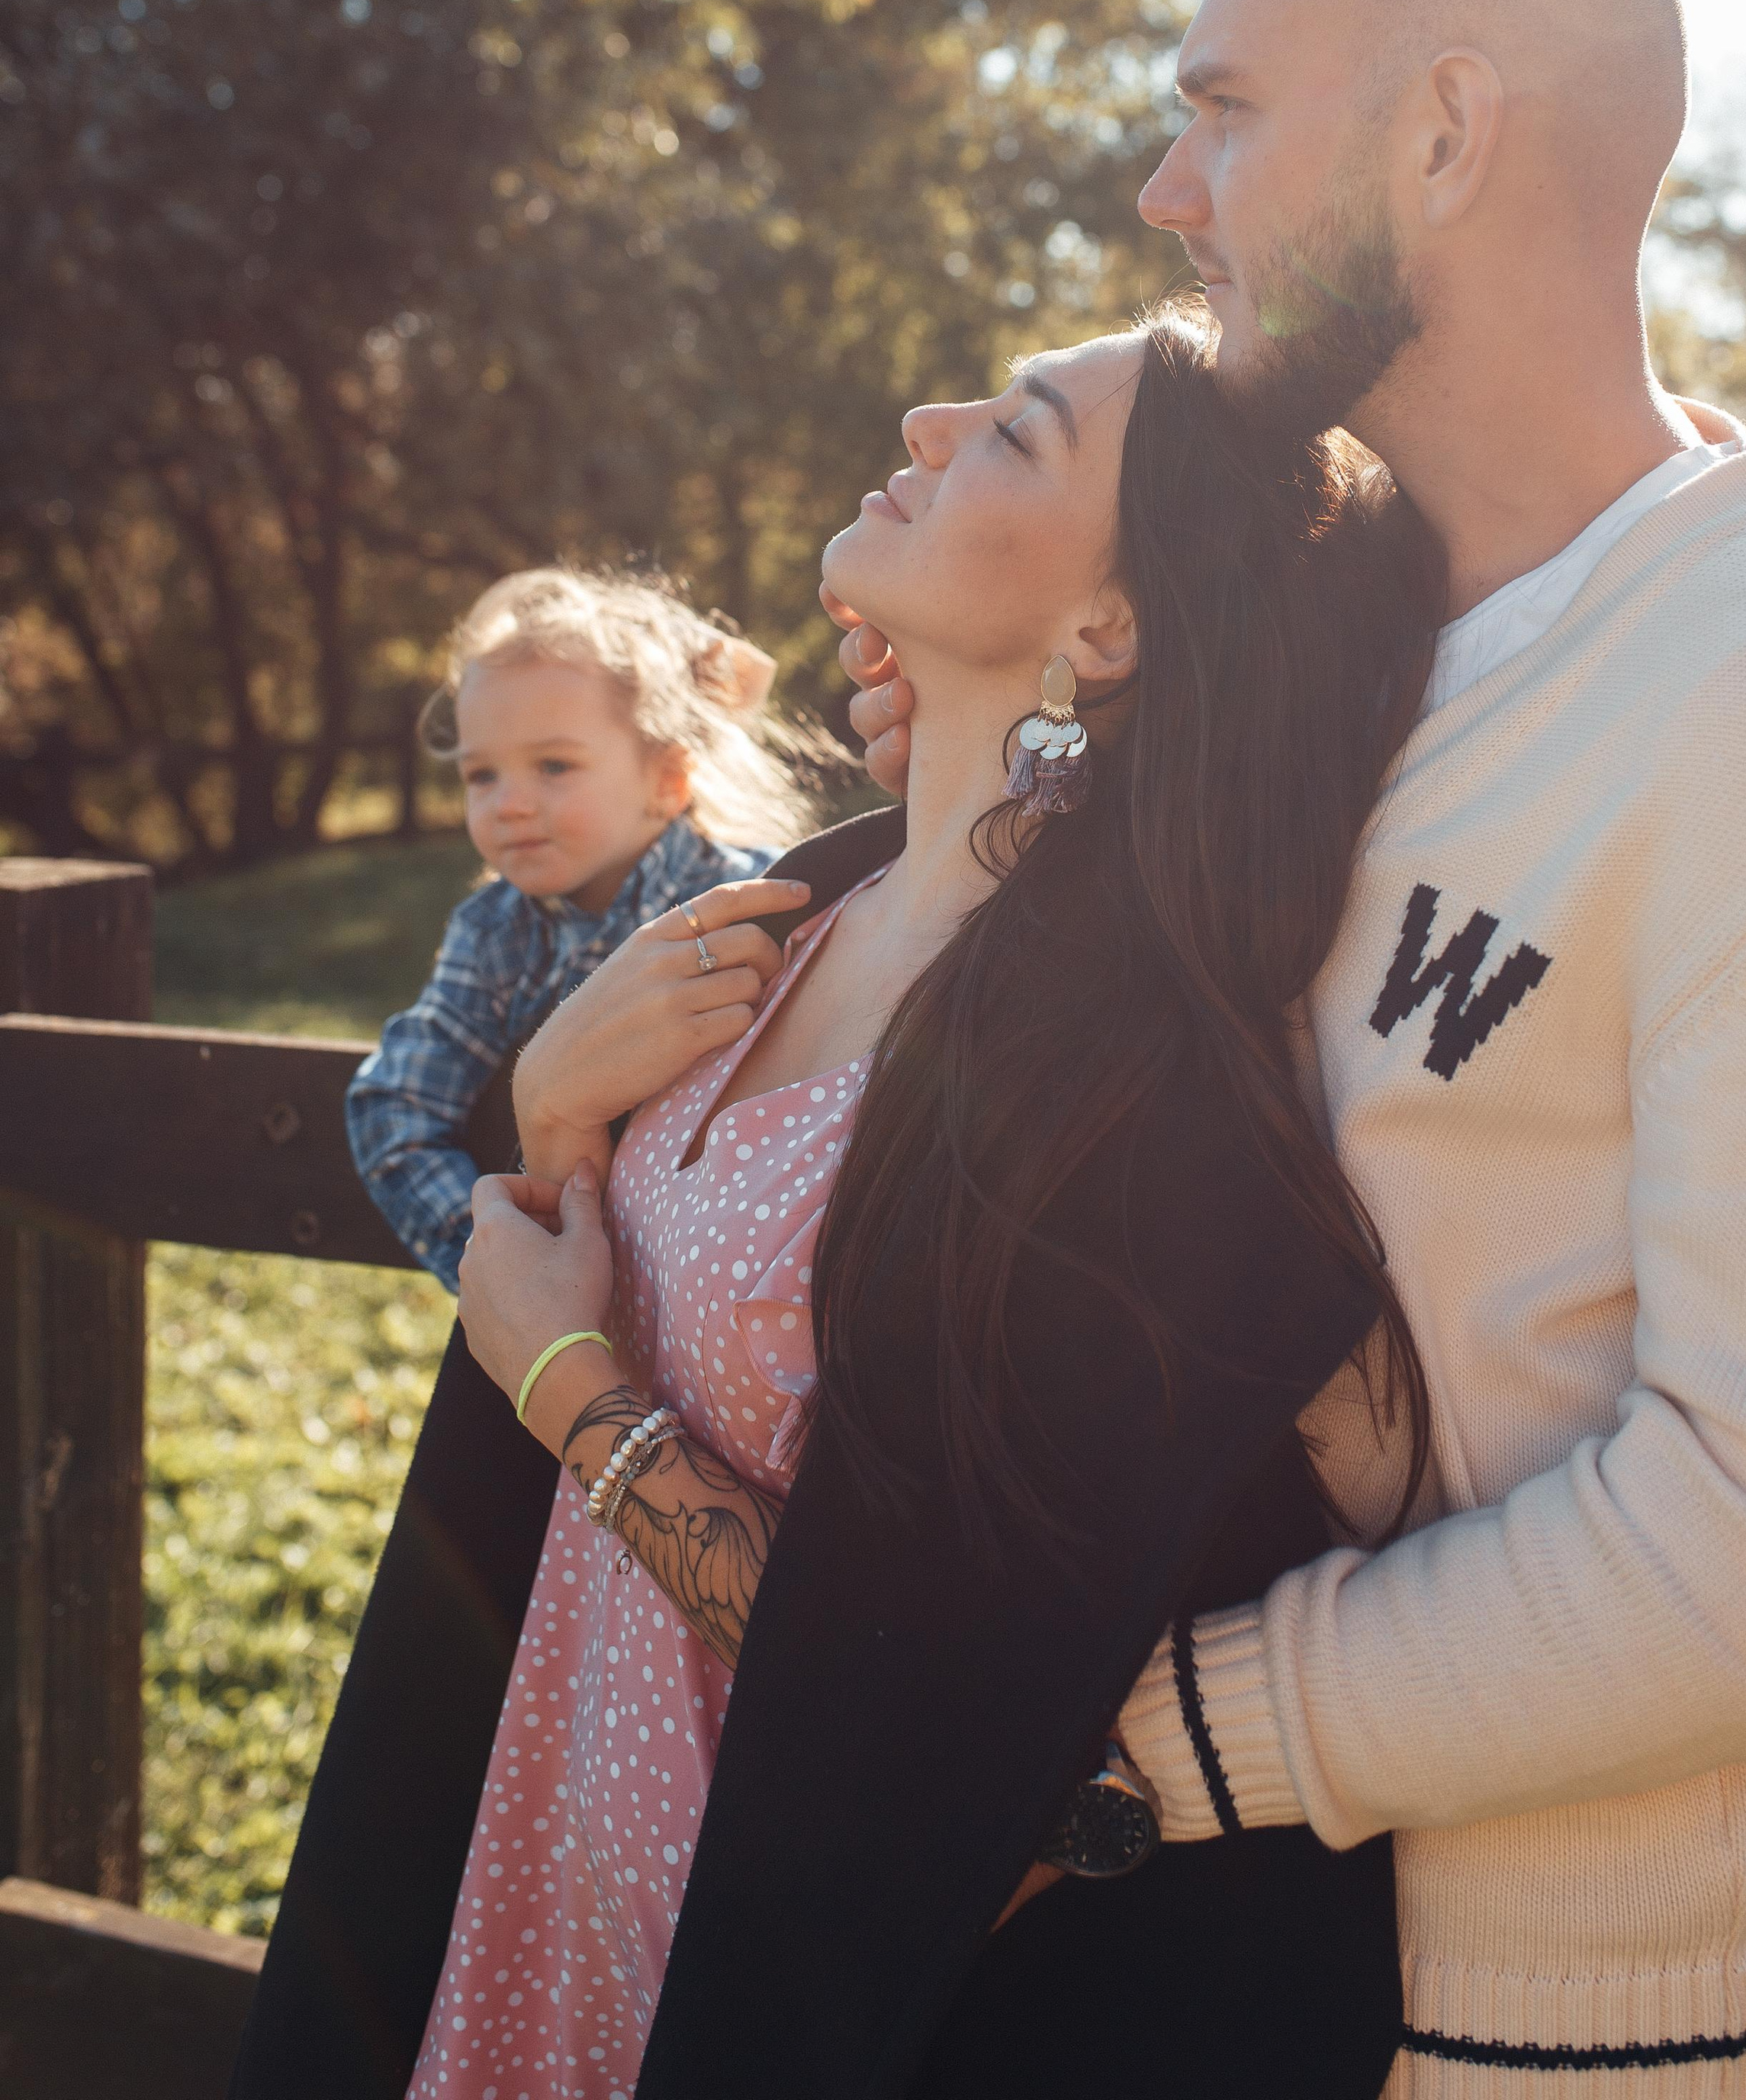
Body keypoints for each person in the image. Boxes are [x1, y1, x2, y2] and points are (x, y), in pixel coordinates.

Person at [836, 0, 1746, 2100]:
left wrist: (1141, 1742)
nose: (1163, 189)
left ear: (1441, 133)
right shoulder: (1336, 632)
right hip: (1202, 1995)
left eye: (1225, 110)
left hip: (1576, 2047)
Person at [230, 304, 1445, 2100]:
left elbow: (937, 1710)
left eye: (1016, 432)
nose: (930, 416)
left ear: (1105, 628)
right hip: (543, 1863)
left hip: (759, 1971)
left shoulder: (1110, 1083)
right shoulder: (796, 902)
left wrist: (570, 1390)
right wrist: (553, 1102)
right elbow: (577, 1256)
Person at [346, 564, 811, 1286]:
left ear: (667, 780)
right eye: (481, 775)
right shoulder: (498, 936)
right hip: (576, 1308)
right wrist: (507, 1266)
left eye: (554, 765)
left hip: (735, 1288)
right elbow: (395, 1108)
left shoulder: (757, 905)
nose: (509, 803)